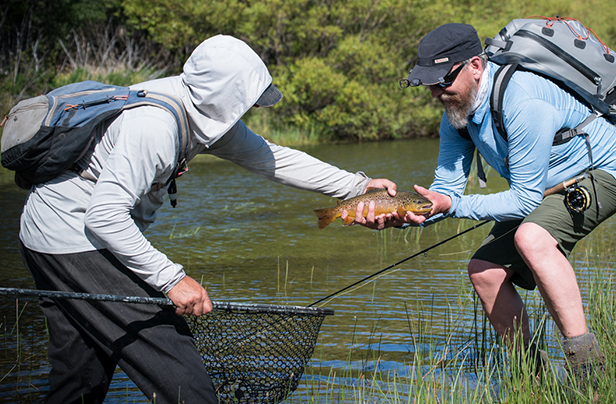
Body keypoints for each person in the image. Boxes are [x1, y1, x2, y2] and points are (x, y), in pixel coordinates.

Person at [17, 34, 396, 404]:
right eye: (247, 101)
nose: (252, 110)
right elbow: (104, 217)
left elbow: (274, 158)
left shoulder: (199, 111)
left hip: (48, 237)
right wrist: (173, 279)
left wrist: (356, 187)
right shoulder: (154, 126)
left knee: (80, 370)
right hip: (74, 240)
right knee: (177, 366)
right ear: (226, 98)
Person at [351, 23, 616, 386]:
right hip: (547, 188)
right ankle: (535, 381)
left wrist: (450, 204)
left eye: (443, 81)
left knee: (532, 238)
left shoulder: (523, 101)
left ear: (475, 65)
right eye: (429, 85)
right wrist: (401, 216)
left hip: (603, 174)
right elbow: (445, 190)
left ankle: (588, 375)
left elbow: (524, 199)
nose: (437, 92)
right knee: (484, 270)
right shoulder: (456, 114)